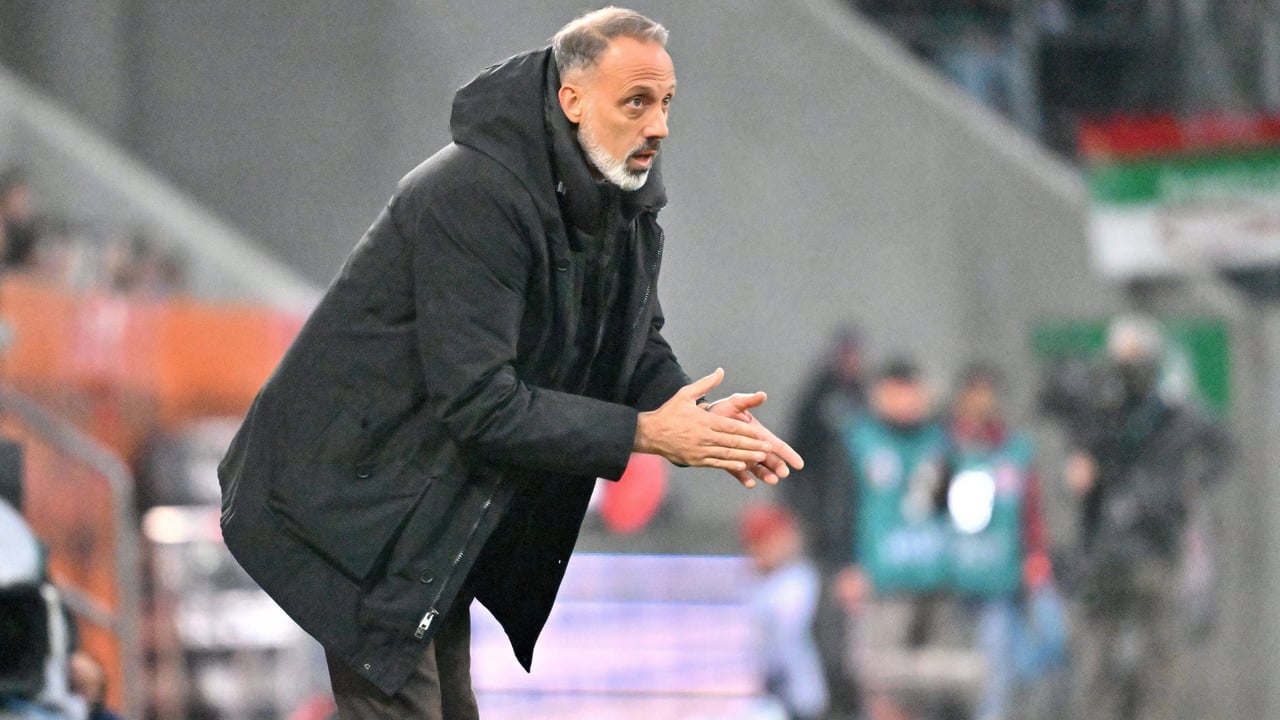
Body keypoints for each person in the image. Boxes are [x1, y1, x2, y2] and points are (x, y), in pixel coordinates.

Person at [217, 7, 803, 719]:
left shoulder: (617, 201)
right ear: (572, 100)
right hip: (350, 503)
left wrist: (695, 415)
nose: (659, 126)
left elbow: (630, 344)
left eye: (667, 103)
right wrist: (647, 434)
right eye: (637, 103)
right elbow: (480, 402)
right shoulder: (473, 195)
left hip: (428, 509)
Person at [1040, 313, 1230, 720]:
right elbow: (1074, 456)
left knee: (1157, 661)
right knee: (1098, 660)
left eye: (1135, 359)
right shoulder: (1102, 414)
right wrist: (1079, 471)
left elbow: (1219, 449)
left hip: (1154, 549)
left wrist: (1183, 486)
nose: (1126, 371)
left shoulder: (1172, 415)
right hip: (1104, 553)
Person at [943, 362, 1060, 720]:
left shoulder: (1013, 449)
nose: (982, 403)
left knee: (1040, 647)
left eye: (988, 394)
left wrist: (1036, 553)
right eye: (975, 394)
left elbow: (1031, 509)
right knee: (974, 671)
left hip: (1001, 576)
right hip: (953, 577)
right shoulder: (944, 446)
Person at [834, 358, 950, 720]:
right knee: (880, 683)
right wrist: (846, 564)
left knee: (931, 689)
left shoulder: (940, 440)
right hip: (880, 578)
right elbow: (839, 507)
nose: (907, 400)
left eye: (912, 390)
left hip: (936, 578)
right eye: (898, 390)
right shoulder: (859, 440)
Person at [783, 326, 866, 719]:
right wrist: (802, 514)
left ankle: (844, 696)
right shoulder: (817, 396)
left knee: (849, 625)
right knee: (819, 619)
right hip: (818, 529)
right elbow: (797, 455)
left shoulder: (861, 397)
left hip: (852, 534)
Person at [739, 503, 828, 720]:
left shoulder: (799, 580)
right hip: (770, 689)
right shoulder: (754, 582)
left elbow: (787, 637)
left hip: (802, 690)